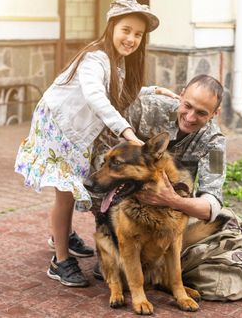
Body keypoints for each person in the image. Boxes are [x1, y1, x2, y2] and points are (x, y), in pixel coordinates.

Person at [14, 0, 165, 287]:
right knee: (65, 191)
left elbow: (121, 90)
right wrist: (126, 132)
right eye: (126, 30)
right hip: (57, 127)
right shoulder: (94, 58)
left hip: (77, 134)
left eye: (138, 34)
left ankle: (62, 235)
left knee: (70, 188)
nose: (131, 38)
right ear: (111, 27)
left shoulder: (117, 63)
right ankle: (60, 261)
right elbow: (97, 96)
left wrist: (156, 90)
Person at [90, 74, 226, 279]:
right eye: (187, 106)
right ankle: (114, 246)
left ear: (215, 113)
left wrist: (173, 200)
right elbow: (104, 139)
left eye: (201, 113)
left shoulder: (215, 145)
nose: (190, 117)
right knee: (101, 178)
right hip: (126, 201)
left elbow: (211, 204)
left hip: (169, 209)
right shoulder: (149, 108)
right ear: (180, 95)